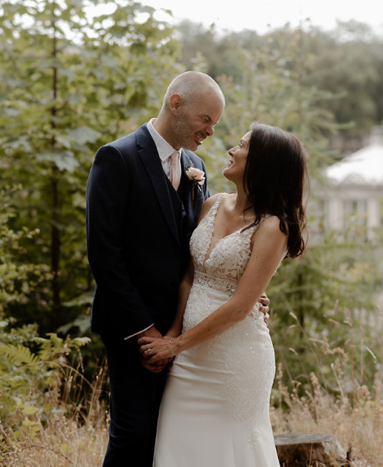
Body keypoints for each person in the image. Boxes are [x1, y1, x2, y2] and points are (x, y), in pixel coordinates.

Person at [85, 71, 269, 467]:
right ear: (176, 104)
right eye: (206, 120)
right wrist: (145, 330)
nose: (210, 131)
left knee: (167, 437)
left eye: (216, 124)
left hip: (185, 327)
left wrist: (246, 290)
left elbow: (201, 247)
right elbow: (104, 254)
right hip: (131, 327)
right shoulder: (116, 157)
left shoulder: (196, 166)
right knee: (132, 434)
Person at [139, 123, 308, 467]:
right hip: (188, 359)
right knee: (178, 449)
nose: (231, 150)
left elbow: (241, 306)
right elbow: (189, 275)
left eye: (241, 145)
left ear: (262, 162)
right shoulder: (212, 203)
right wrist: (173, 334)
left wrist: (175, 345)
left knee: (233, 452)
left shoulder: (273, 225)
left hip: (235, 361)